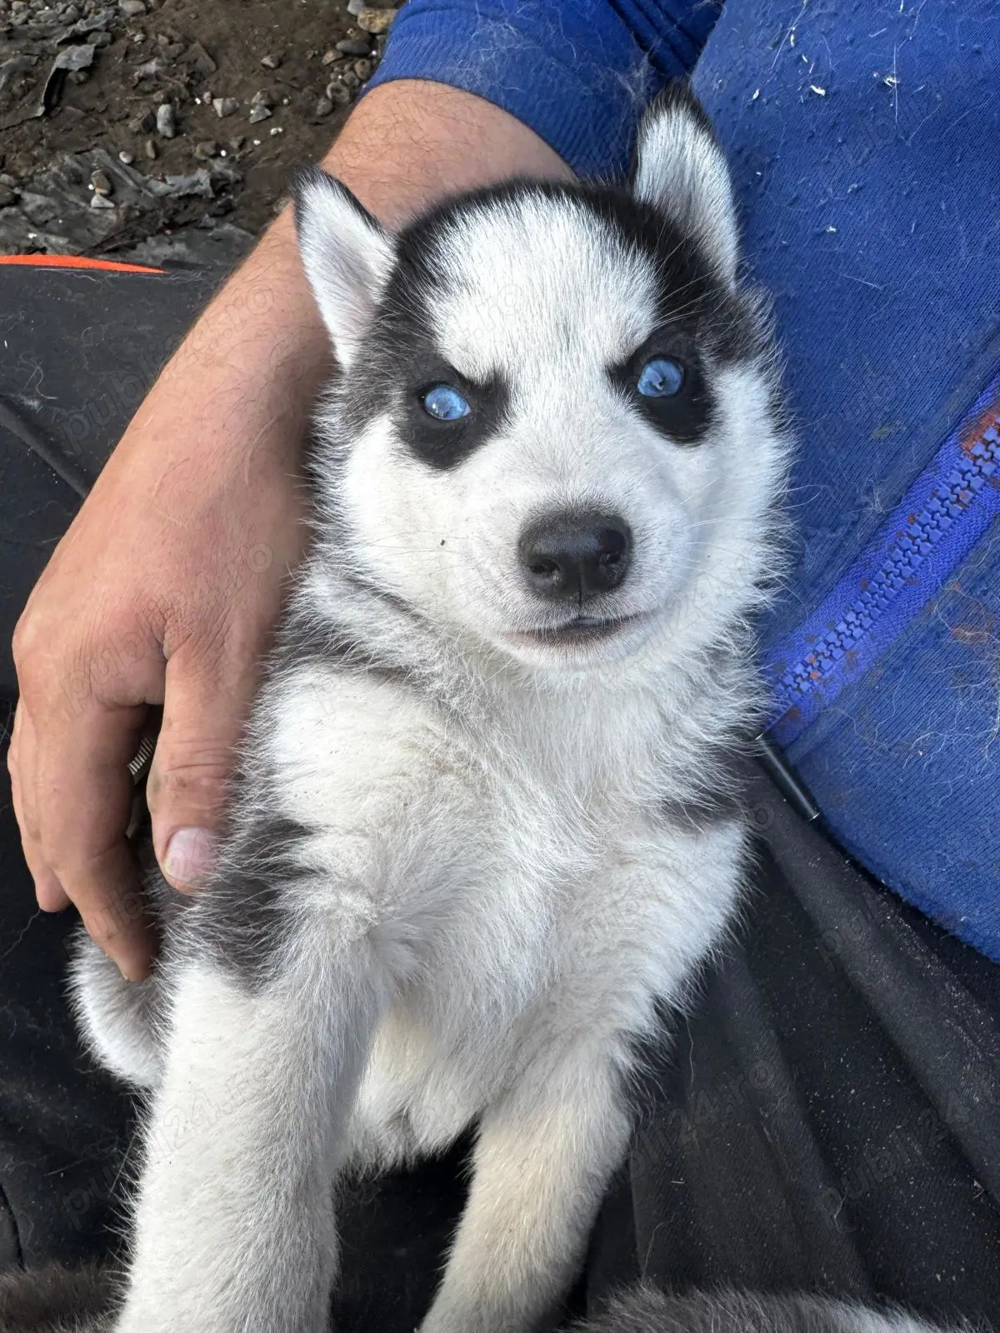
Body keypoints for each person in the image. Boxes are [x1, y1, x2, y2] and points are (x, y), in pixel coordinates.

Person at [0, 1, 997, 1328]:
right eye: (448, 409)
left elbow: (575, 1084)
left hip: (926, 967)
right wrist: (241, 389)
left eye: (654, 381)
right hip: (469, 629)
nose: (569, 514)